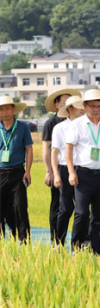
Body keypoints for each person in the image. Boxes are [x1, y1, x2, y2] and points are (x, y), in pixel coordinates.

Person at [66, 90, 100, 255]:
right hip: (83, 173)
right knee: (82, 213)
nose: (97, 109)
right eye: (93, 106)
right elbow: (68, 149)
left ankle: (95, 251)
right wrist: (71, 172)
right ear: (84, 106)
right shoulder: (77, 124)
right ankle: (76, 247)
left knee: (98, 215)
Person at [42, 89, 81, 243]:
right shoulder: (52, 124)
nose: (67, 104)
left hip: (79, 168)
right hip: (60, 169)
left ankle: (80, 240)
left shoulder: (81, 123)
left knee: (81, 207)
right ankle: (56, 238)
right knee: (60, 206)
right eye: (64, 102)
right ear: (57, 105)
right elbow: (47, 149)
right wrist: (50, 171)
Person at [51, 95, 84, 246]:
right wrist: (56, 174)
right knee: (65, 208)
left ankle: (79, 243)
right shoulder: (60, 128)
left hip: (83, 169)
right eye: (79, 106)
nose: (82, 109)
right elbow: (54, 152)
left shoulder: (87, 126)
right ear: (69, 109)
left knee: (83, 209)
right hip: (65, 169)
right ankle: (59, 242)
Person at [0, 96, 33, 242]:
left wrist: (28, 171)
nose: (4, 112)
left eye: (7, 108)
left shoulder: (22, 127)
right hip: (0, 173)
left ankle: (24, 240)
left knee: (20, 207)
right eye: (1, 109)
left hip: (18, 173)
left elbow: (29, 150)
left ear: (13, 109)